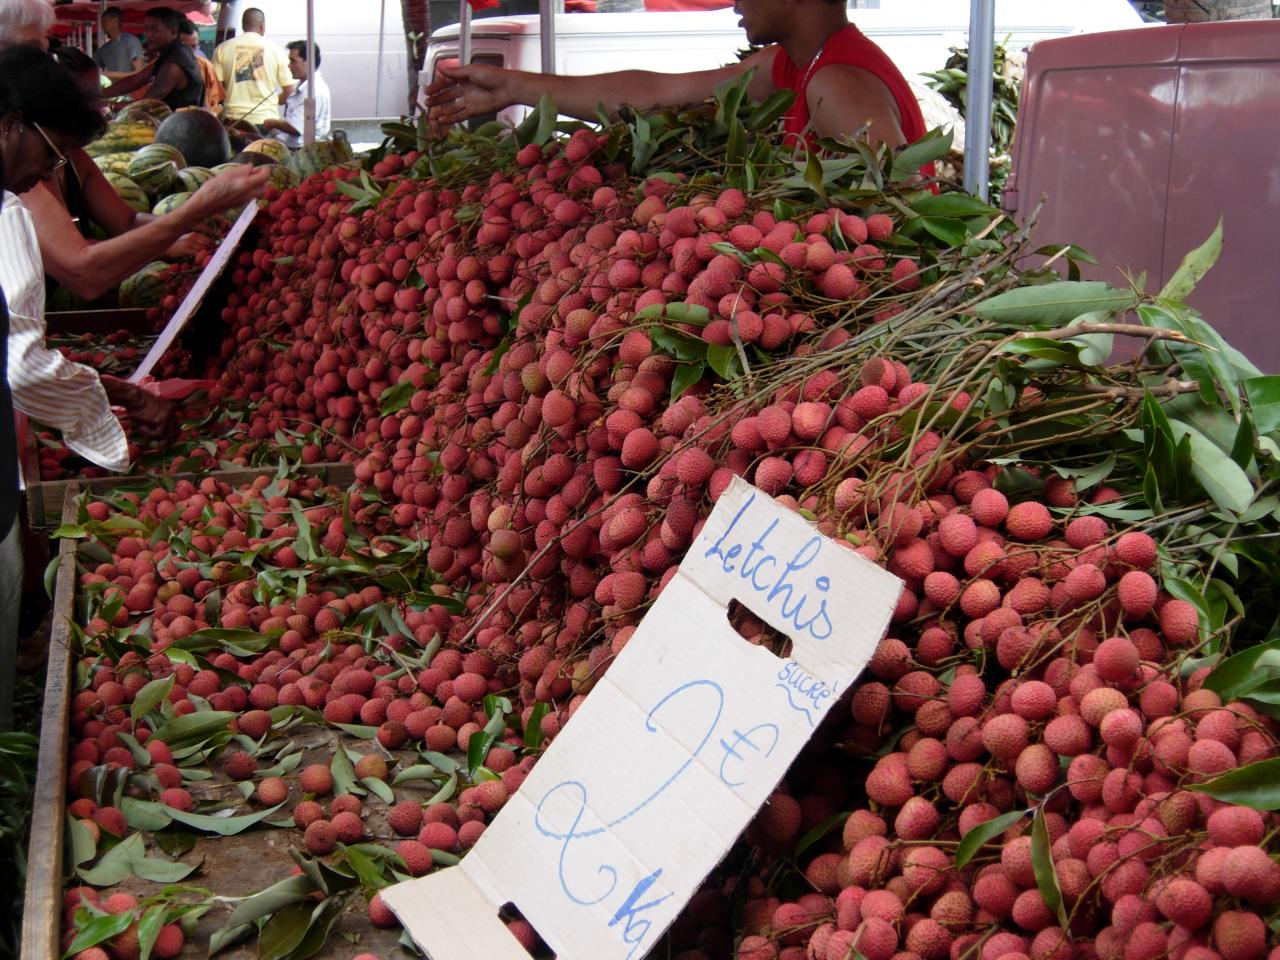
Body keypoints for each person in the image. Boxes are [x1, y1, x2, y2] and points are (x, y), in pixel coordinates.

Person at [425, 0, 925, 148]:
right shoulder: (790, 64)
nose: (733, 1)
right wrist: (516, 87)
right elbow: (661, 92)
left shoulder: (838, 83)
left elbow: (898, 230)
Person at [22, 46, 266, 301]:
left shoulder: (72, 157)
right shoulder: (24, 178)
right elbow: (83, 270)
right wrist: (186, 219)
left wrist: (192, 227)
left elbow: (126, 222)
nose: (100, 107)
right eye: (86, 99)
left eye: (98, 96)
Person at [102, 7, 203, 111]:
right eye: (147, 28)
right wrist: (99, 94)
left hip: (179, 125)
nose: (149, 35)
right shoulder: (171, 53)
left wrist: (106, 106)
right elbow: (136, 80)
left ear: (173, 32)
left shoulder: (173, 66)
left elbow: (146, 104)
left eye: (154, 29)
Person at [214, 7, 294, 128]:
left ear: (243, 26)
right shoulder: (276, 51)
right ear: (262, 26)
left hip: (233, 121)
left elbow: (215, 88)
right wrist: (272, 102)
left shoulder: (222, 49)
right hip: (266, 121)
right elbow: (290, 91)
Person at [261, 40, 330, 149]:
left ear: (308, 62)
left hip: (300, 151)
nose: (289, 66)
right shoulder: (304, 86)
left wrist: (273, 123)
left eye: (293, 61)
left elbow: (296, 127)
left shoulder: (313, 91)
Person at [179, 16, 224, 113]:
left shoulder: (205, 65)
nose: (191, 53)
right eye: (185, 47)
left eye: (194, 46)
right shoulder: (167, 65)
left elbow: (214, 100)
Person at [92, 6, 145, 80]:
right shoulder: (104, 48)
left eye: (104, 21)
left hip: (131, 91)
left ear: (115, 21)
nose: (102, 25)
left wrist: (110, 74)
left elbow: (141, 73)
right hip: (114, 90)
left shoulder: (131, 42)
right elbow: (90, 64)